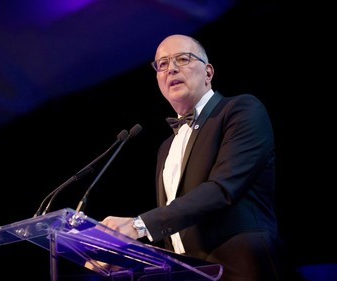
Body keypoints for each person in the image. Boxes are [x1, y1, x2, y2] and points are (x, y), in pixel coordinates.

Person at [100, 34, 284, 281]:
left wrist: (137, 226)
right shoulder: (166, 147)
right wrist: (125, 257)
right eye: (162, 64)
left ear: (208, 73)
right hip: (189, 275)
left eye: (182, 59)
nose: (171, 68)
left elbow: (222, 189)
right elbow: (174, 232)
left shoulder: (240, 111)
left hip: (242, 271)